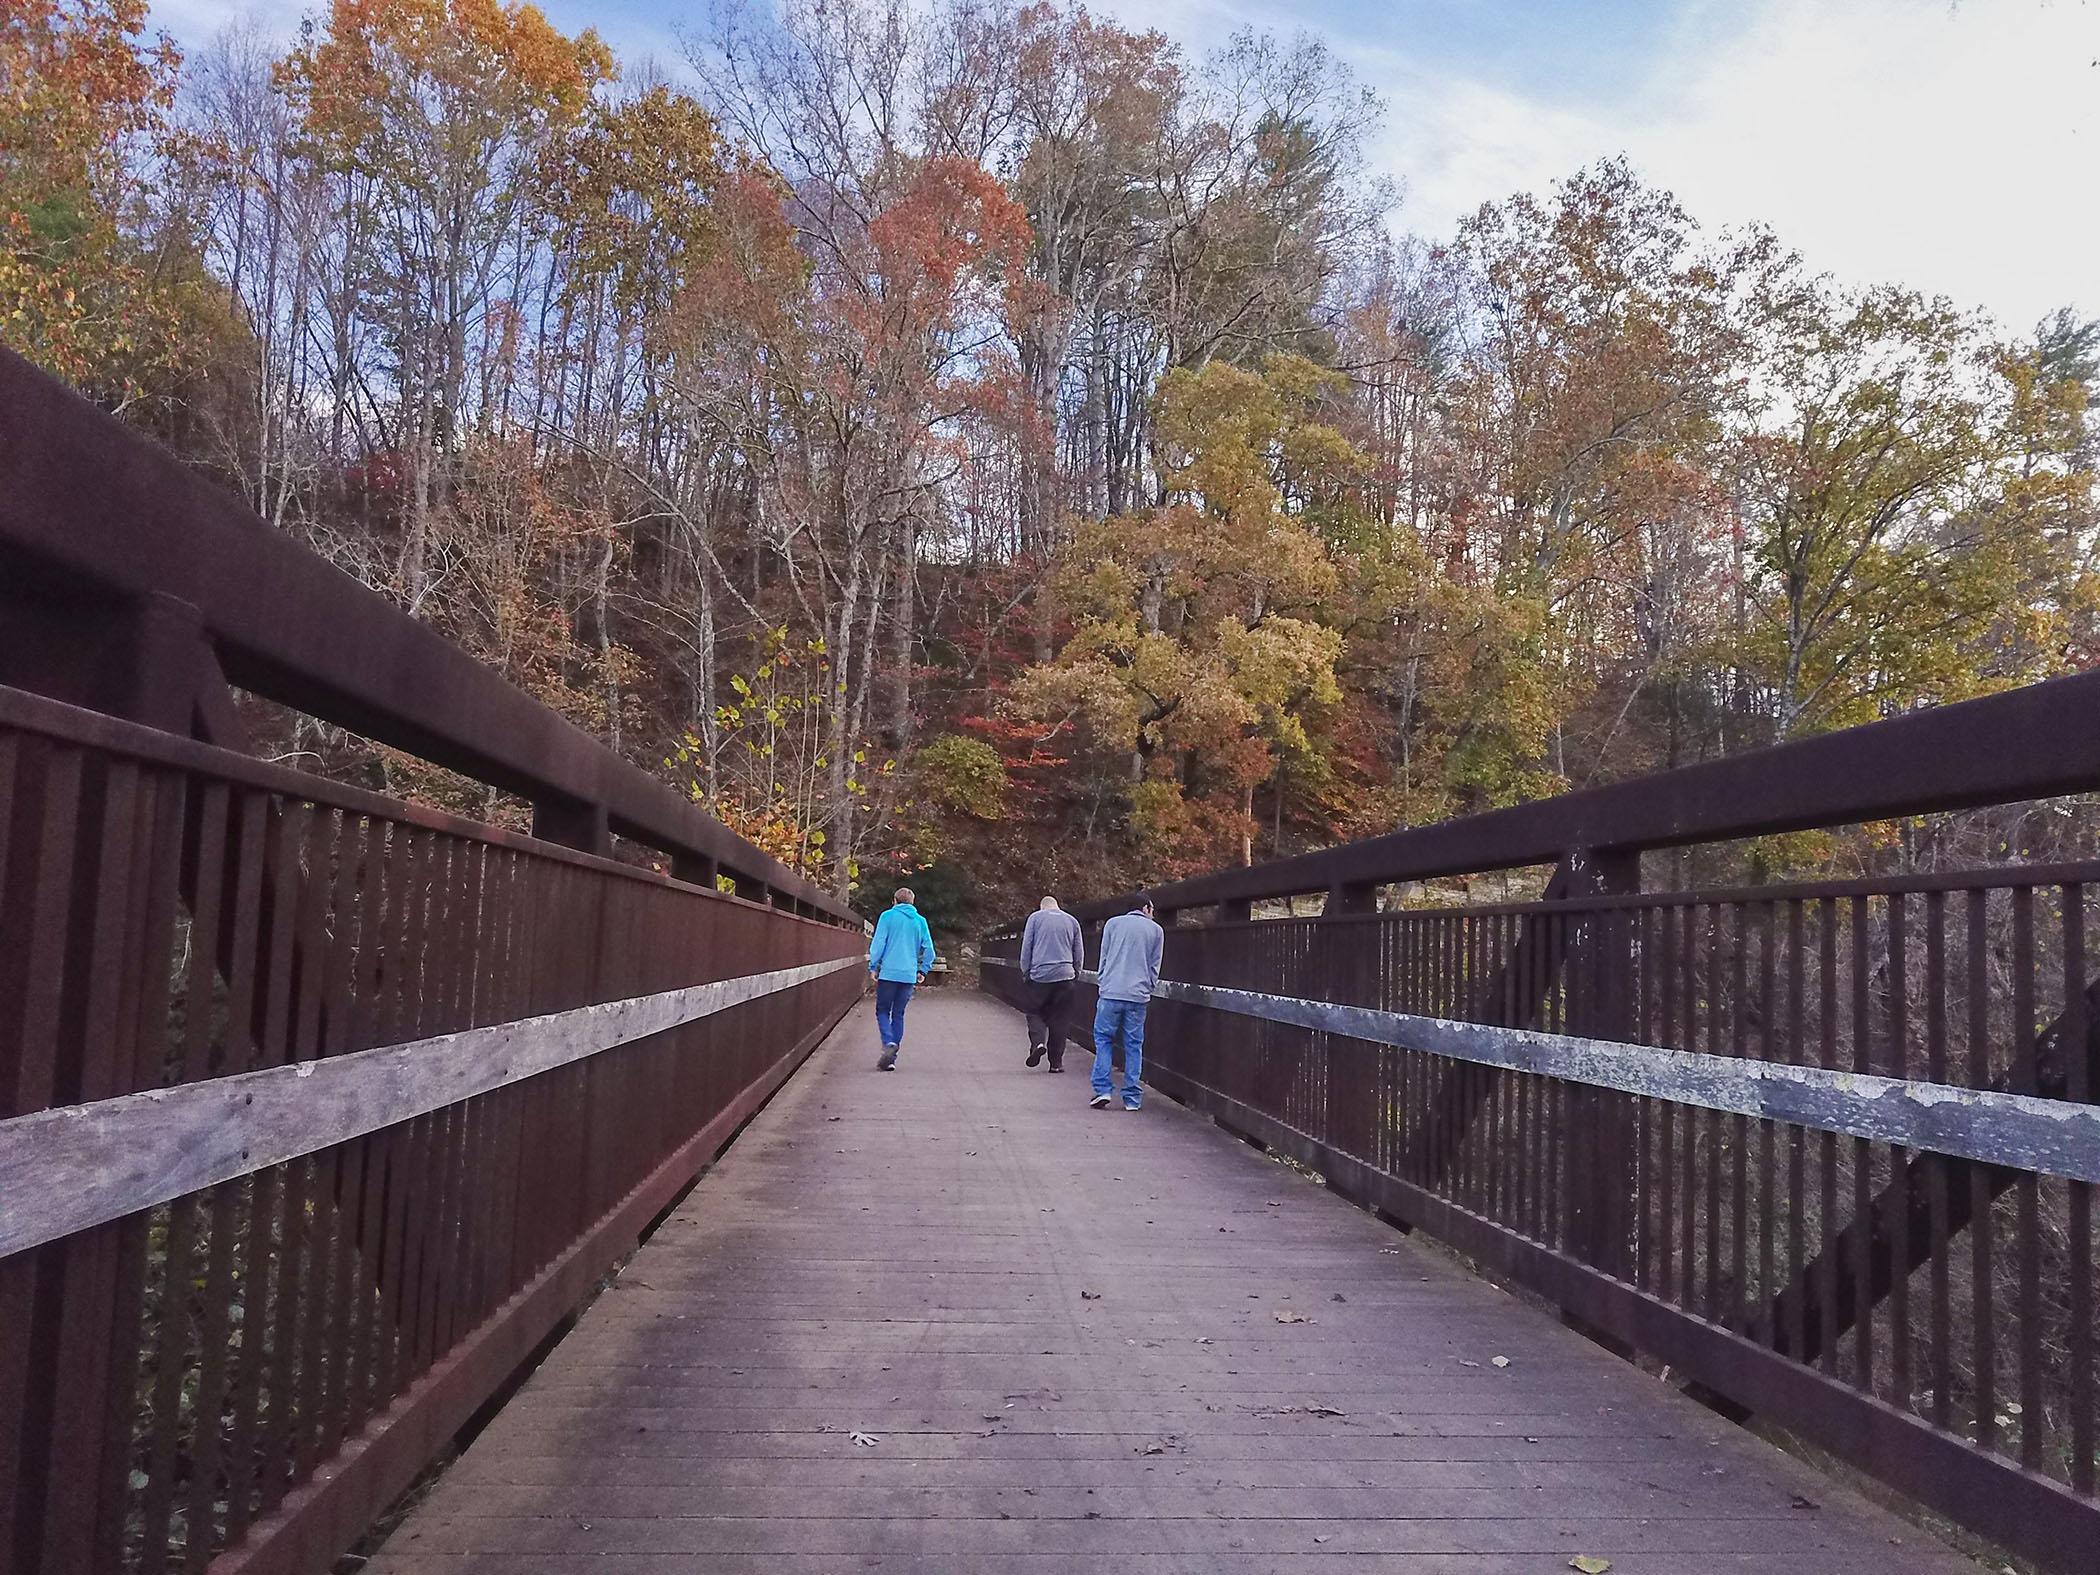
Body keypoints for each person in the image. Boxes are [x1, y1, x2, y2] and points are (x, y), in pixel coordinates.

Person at [1090, 894, 1163, 1110]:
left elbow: (1103, 958)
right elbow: (1154, 965)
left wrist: (1103, 981)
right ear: (1146, 908)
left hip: (1111, 991)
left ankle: (1102, 1090)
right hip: (1138, 995)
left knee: (1103, 1039)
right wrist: (1149, 986)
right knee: (1133, 1045)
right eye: (1152, 909)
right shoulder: (1156, 930)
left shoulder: (1113, 924)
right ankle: (1132, 1098)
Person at [867, 887, 935, 1070]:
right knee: (898, 1014)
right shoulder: (920, 921)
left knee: (882, 1010)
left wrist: (873, 966)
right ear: (913, 903)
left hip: (889, 973)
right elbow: (929, 950)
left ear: (894, 901)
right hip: (908, 975)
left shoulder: (887, 917)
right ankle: (891, 1059)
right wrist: (923, 970)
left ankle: (888, 1042)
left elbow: (879, 942)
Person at [1018, 895, 1083, 1072]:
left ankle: (1038, 1044)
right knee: (1060, 1020)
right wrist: (1075, 972)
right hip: (1065, 976)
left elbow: (1027, 947)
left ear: (1042, 907)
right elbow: (1078, 952)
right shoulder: (1072, 921)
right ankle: (1056, 1063)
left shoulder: (1035, 918)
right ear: (1057, 906)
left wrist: (1026, 971)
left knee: (1034, 1011)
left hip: (1040, 975)